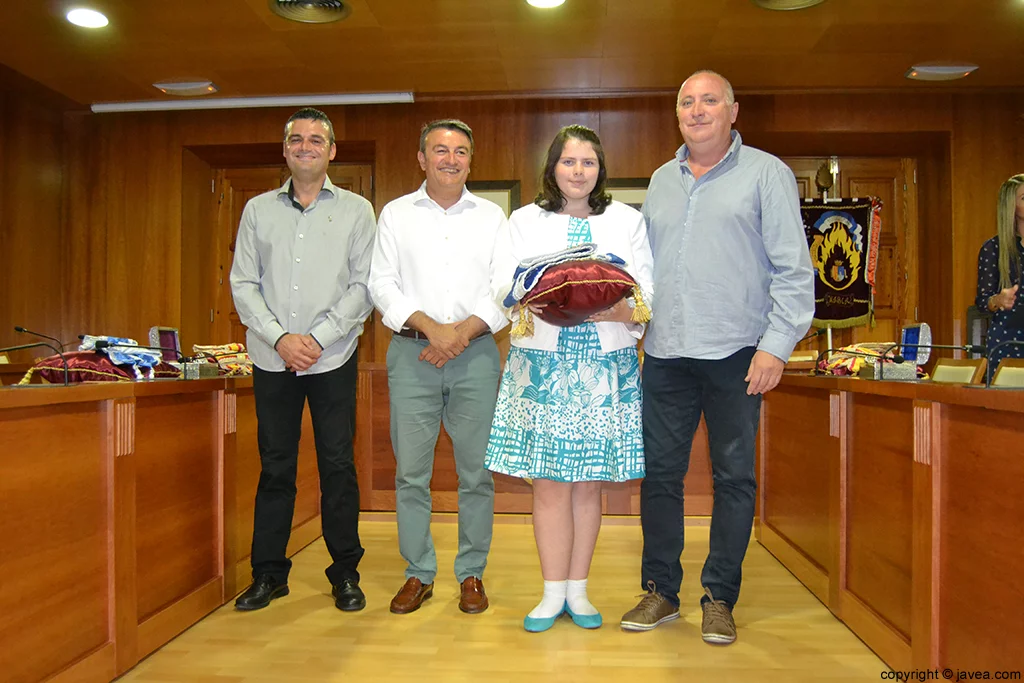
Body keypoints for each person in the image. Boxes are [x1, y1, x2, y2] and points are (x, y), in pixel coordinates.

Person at [619, 71, 814, 644]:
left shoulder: (766, 174)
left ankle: (719, 596)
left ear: (733, 111)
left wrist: (776, 347)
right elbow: (646, 271)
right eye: (687, 101)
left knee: (733, 479)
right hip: (665, 355)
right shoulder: (660, 180)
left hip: (737, 354)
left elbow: (794, 272)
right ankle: (660, 591)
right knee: (660, 477)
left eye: (709, 100)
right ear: (676, 113)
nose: (697, 110)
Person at [487, 124, 654, 633]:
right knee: (550, 483)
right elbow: (501, 283)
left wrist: (625, 311)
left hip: (606, 363)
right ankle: (550, 592)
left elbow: (648, 286)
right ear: (552, 167)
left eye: (588, 163)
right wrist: (534, 297)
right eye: (568, 162)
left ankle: (579, 593)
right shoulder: (523, 220)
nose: (578, 171)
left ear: (600, 170)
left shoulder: (626, 219)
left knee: (588, 484)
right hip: (542, 363)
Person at [230, 108, 376, 612]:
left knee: (338, 466)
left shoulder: (358, 210)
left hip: (333, 357)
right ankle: (269, 574)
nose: (306, 146)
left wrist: (315, 338)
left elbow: (363, 286)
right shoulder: (257, 210)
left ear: (332, 151)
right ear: (285, 149)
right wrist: (279, 339)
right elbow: (243, 284)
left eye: (317, 139)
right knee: (275, 468)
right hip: (272, 361)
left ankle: (345, 574)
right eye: (297, 139)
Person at [368, 119, 508, 615]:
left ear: (471, 160)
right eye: (440, 150)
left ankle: (471, 573)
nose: (451, 159)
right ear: (422, 158)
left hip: (476, 356)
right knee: (411, 474)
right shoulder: (395, 215)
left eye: (461, 151)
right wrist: (432, 328)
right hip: (412, 354)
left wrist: (459, 335)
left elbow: (504, 290)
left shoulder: (492, 218)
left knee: (476, 474)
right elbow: (381, 284)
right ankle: (417, 573)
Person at [976, 174, 1024, 382]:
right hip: (1008, 342)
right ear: (1011, 208)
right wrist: (998, 300)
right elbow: (981, 302)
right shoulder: (993, 248)